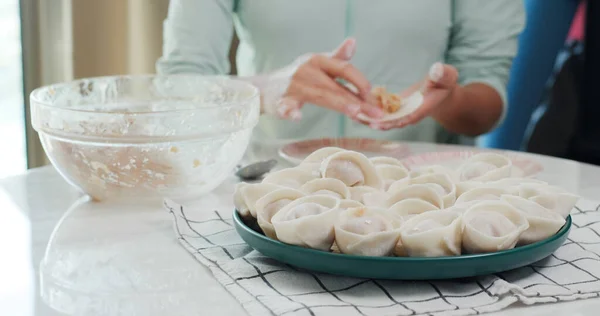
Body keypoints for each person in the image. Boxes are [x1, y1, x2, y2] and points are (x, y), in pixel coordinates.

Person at [157, 0, 524, 146]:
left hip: (424, 194)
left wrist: (445, 99)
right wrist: (267, 89)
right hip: (267, 186)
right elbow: (178, 89)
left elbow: (487, 97)